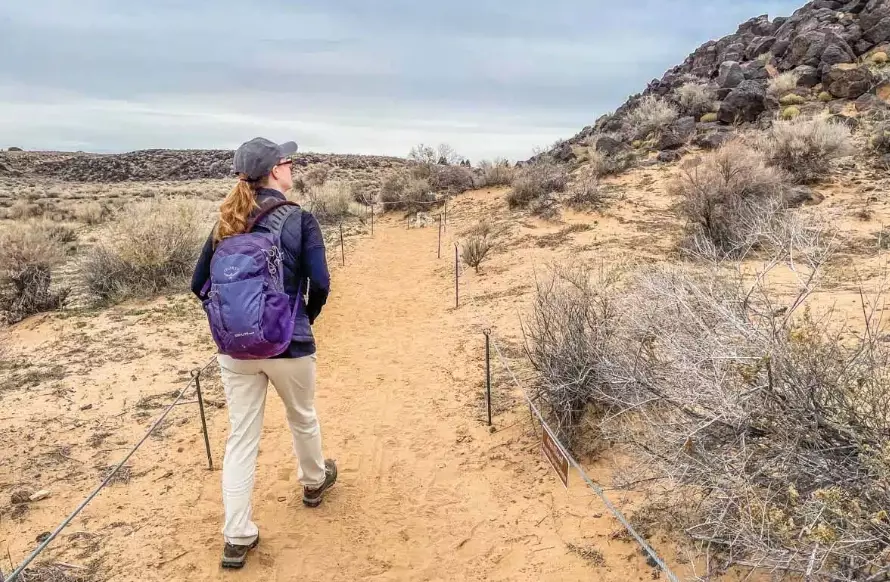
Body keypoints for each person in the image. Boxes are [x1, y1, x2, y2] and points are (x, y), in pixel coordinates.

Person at [191, 137, 337, 570]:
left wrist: (229, 323)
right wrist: (301, 317)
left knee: (241, 438)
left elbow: (198, 283)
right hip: (289, 344)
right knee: (302, 416)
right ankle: (313, 482)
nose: (292, 167)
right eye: (289, 162)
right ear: (275, 170)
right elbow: (322, 283)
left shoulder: (225, 221)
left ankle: (236, 536)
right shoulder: (299, 220)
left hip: (234, 351)